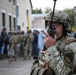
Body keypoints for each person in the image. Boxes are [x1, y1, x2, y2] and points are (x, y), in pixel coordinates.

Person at [30, 10, 76, 75]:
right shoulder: (50, 42)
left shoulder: (71, 46)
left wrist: (51, 48)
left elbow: (65, 73)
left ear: (65, 27)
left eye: (57, 24)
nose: (51, 27)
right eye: (49, 24)